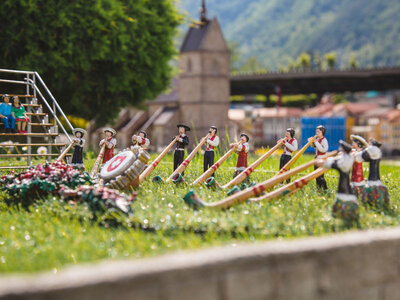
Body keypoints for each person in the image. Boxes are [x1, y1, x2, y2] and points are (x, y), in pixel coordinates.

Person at [318, 140, 358, 221]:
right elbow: (334, 159)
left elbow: (339, 165)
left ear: (344, 150)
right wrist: (326, 160)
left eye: (341, 148)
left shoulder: (347, 159)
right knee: (342, 191)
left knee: (345, 191)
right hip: (343, 182)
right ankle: (340, 211)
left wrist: (324, 164)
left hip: (345, 181)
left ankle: (348, 211)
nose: (339, 149)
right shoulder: (344, 157)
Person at [355, 138, 389, 208]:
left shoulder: (373, 149)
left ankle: (369, 202)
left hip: (372, 180)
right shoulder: (376, 150)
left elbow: (360, 156)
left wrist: (355, 154)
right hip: (376, 178)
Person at [309, 125, 328, 190]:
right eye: (316, 131)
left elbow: (323, 149)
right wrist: (312, 142)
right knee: (316, 175)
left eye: (318, 132)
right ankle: (318, 188)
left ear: (322, 132)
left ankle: (325, 188)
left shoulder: (324, 140)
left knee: (320, 175)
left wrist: (316, 142)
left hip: (321, 159)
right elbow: (313, 146)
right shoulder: (317, 140)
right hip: (316, 158)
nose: (316, 133)